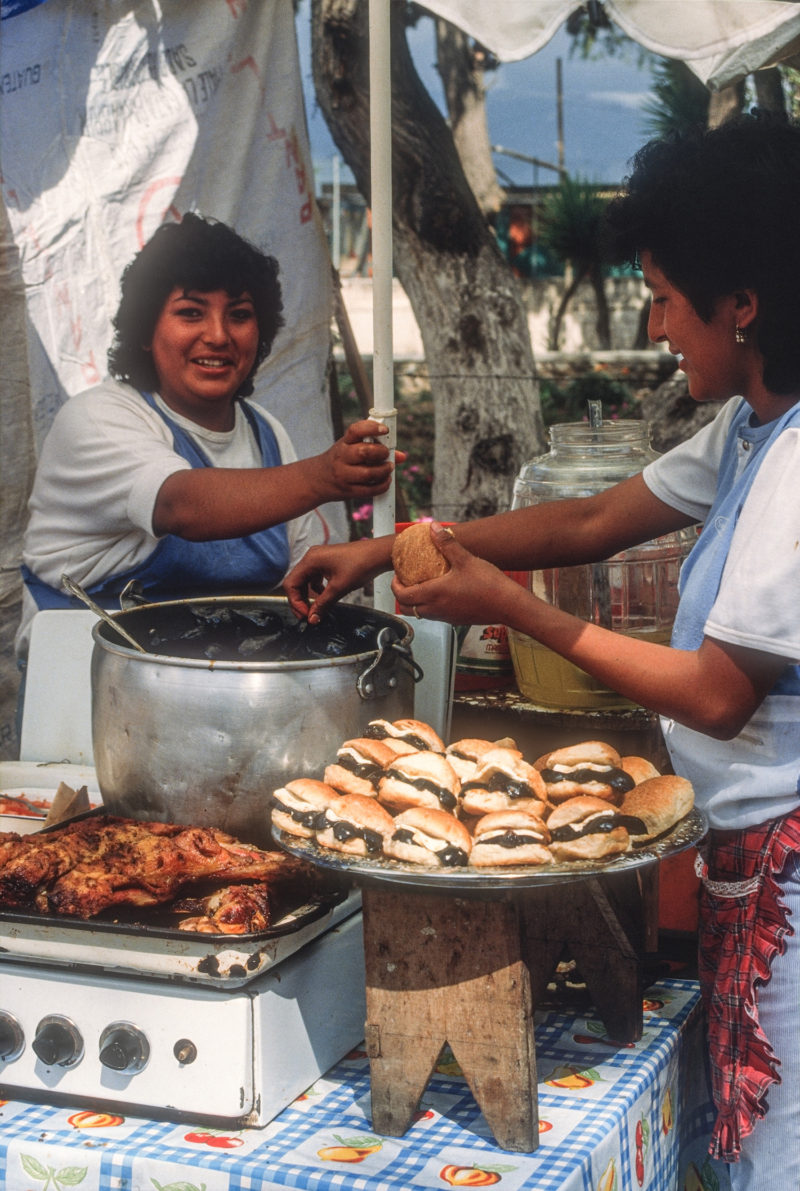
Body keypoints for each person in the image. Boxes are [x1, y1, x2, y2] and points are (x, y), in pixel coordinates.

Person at [285, 115, 800, 1188]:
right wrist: (391, 547)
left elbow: (713, 695)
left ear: (741, 305)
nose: (654, 321)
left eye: (663, 293)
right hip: (743, 865)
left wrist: (510, 612)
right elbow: (581, 523)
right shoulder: (749, 426)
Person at [17, 213, 396, 659]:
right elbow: (183, 505)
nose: (217, 336)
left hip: (214, 694)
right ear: (145, 331)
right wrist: (324, 476)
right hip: (82, 686)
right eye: (190, 313)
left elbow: (300, 578)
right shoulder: (97, 418)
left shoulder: (267, 434)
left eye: (239, 315)